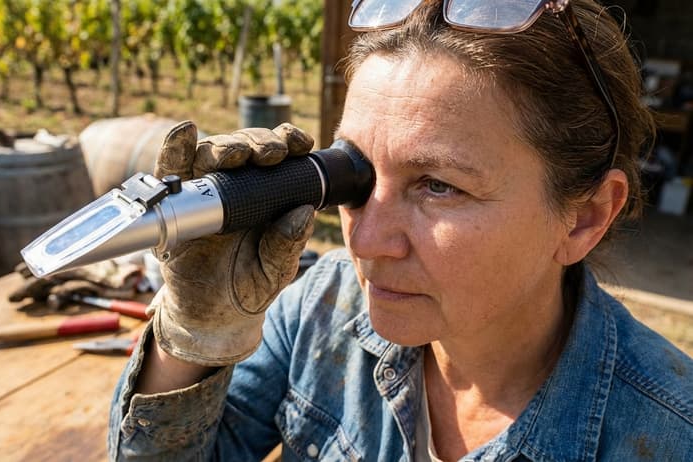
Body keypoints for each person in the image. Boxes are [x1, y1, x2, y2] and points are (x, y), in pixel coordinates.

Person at [108, 0, 693, 460]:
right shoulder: (317, 311)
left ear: (585, 216)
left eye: (439, 185)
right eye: (355, 175)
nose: (363, 243)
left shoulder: (668, 436)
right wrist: (189, 337)